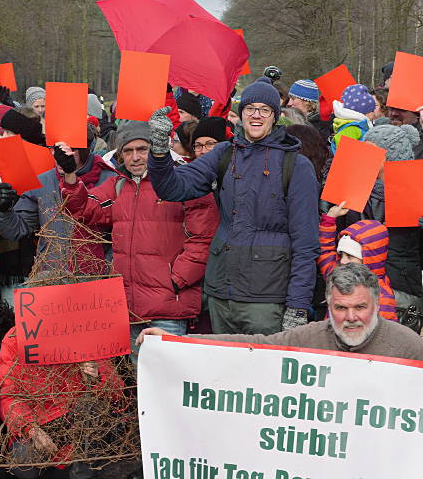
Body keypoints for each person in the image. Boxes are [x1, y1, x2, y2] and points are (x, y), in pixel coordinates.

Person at [147, 76, 320, 335]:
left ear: (275, 116)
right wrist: (160, 152)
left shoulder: (296, 166)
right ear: (241, 115)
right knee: (221, 375)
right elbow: (173, 187)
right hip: (221, 294)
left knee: (261, 374)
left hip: (266, 299)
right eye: (250, 108)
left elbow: (306, 244)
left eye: (265, 109)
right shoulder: (225, 153)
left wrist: (298, 306)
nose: (257, 115)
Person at [59, 121, 219, 359]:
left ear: (156, 149)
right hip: (129, 306)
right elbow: (84, 210)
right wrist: (70, 175)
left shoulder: (185, 179)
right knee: (138, 381)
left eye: (142, 149)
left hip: (168, 308)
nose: (135, 157)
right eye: (128, 150)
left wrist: (175, 280)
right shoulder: (118, 185)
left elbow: (204, 238)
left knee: (167, 381)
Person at [138, 264, 423, 360]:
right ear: (328, 306)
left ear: (376, 305)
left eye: (360, 307)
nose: (351, 317)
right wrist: (177, 341)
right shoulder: (310, 336)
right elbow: (254, 345)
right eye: (341, 308)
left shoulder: (408, 345)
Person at [0, 327, 124, 479]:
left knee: (91, 406)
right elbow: (10, 398)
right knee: (22, 462)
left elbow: (117, 391)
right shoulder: (14, 338)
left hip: (81, 421)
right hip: (41, 423)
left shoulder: (84, 328)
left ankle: (83, 474)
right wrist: (30, 428)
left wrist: (96, 377)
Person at [0, 126, 116, 283]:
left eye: (68, 150)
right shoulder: (42, 182)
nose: (59, 157)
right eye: (54, 149)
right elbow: (17, 230)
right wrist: (4, 210)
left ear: (84, 149)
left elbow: (122, 233)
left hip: (99, 279)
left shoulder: (110, 179)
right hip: (53, 277)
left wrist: (107, 265)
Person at [328, 123, 423, 308]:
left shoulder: (416, 191)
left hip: (400, 284)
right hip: (356, 281)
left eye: (370, 150)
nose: (363, 155)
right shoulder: (353, 186)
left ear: (388, 155)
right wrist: (331, 210)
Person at [318, 209, 397, 321]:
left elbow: (386, 333)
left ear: (368, 259)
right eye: (341, 255)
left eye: (350, 256)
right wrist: (329, 220)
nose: (343, 261)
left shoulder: (381, 297)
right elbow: (326, 251)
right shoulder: (337, 273)